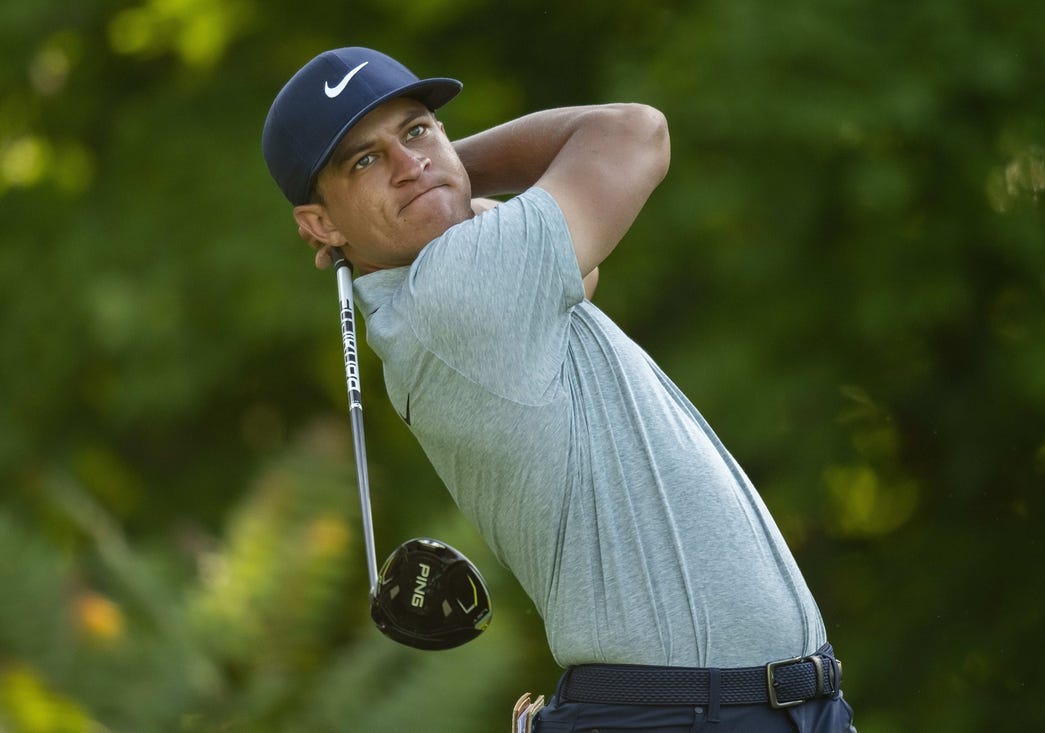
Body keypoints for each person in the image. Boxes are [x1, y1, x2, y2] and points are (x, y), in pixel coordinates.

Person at [262, 46, 856, 732]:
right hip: (692, 713)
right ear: (320, 225)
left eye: (419, 130)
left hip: (737, 707)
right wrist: (445, 174)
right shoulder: (460, 291)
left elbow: (578, 260)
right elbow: (635, 132)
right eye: (363, 161)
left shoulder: (449, 294)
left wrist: (430, 183)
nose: (407, 162)